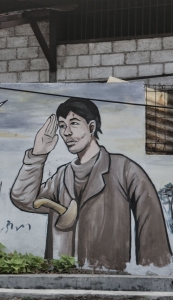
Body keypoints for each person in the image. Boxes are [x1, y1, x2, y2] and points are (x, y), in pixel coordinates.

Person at [10, 97, 172, 271]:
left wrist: (153, 271)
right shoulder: (62, 176)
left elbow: (150, 221)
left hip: (109, 276)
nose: (66, 132)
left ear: (91, 127)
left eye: (74, 123)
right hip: (61, 276)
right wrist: (37, 155)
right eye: (62, 125)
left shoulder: (123, 169)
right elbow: (24, 199)